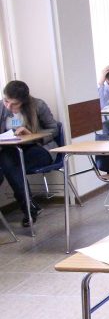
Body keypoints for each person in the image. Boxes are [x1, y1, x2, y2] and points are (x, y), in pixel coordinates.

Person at [0, 81, 59, 227]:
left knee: (10, 166)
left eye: (14, 104)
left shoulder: (38, 105)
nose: (8, 106)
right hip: (12, 150)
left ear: (23, 101)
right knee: (8, 162)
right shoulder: (1, 107)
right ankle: (30, 208)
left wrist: (31, 134)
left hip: (39, 149)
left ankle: (30, 208)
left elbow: (54, 129)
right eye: (6, 101)